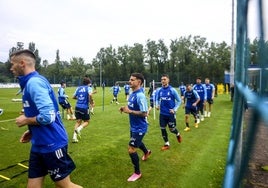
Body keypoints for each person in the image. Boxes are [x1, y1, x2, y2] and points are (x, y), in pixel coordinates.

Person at [10, 49, 82, 188]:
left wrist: (26, 120)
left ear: (22, 63)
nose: (11, 67)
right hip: (38, 144)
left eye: (13, 64)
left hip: (52, 143)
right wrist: (32, 131)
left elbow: (48, 116)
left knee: (64, 185)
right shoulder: (29, 83)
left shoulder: (34, 83)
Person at [119, 73, 151, 182]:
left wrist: (130, 111)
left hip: (140, 127)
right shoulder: (132, 94)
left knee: (131, 149)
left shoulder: (140, 96)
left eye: (132, 80)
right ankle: (146, 152)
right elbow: (130, 108)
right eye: (130, 79)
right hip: (133, 126)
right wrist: (124, 108)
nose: (130, 81)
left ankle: (137, 173)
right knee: (138, 143)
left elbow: (145, 113)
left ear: (139, 82)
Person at [155, 74, 182, 150]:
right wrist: (157, 105)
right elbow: (157, 99)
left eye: (164, 79)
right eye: (162, 79)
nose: (163, 81)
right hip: (162, 114)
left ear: (168, 80)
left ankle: (177, 134)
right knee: (162, 128)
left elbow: (179, 101)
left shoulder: (172, 90)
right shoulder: (159, 90)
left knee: (172, 129)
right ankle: (167, 144)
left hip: (170, 114)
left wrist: (174, 109)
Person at [72, 76, 94, 143]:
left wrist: (79, 99)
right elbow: (90, 95)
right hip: (84, 107)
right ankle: (78, 129)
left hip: (77, 107)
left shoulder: (78, 88)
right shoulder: (89, 88)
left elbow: (73, 97)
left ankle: (74, 137)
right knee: (87, 121)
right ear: (89, 83)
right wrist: (91, 102)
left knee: (78, 121)